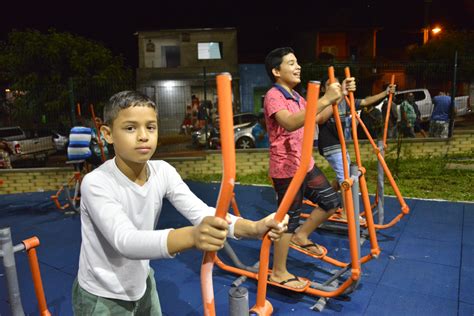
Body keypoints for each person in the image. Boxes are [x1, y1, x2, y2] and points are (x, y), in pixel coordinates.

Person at [72, 90, 288, 315]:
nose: (143, 136)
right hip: (102, 295)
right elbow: (125, 241)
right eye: (130, 128)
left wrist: (253, 228)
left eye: (150, 127)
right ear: (107, 133)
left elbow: (201, 212)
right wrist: (193, 236)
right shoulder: (96, 182)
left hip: (142, 282)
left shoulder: (163, 171)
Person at [263, 47, 354, 289]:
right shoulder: (274, 95)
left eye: (297, 62)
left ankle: (301, 236)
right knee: (287, 221)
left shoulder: (297, 97)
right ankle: (279, 272)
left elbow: (318, 117)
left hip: (305, 164)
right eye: (291, 63)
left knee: (331, 202)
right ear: (276, 71)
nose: (297, 66)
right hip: (286, 169)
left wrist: (340, 94)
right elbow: (291, 123)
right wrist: (324, 98)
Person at [318, 80, 396, 190]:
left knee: (345, 176)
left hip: (341, 145)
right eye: (329, 85)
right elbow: (321, 118)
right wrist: (342, 94)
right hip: (331, 145)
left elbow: (365, 101)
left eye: (337, 84)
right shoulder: (322, 103)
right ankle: (347, 207)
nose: (334, 87)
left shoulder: (345, 101)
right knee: (345, 180)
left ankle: (327, 198)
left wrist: (385, 93)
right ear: (323, 89)